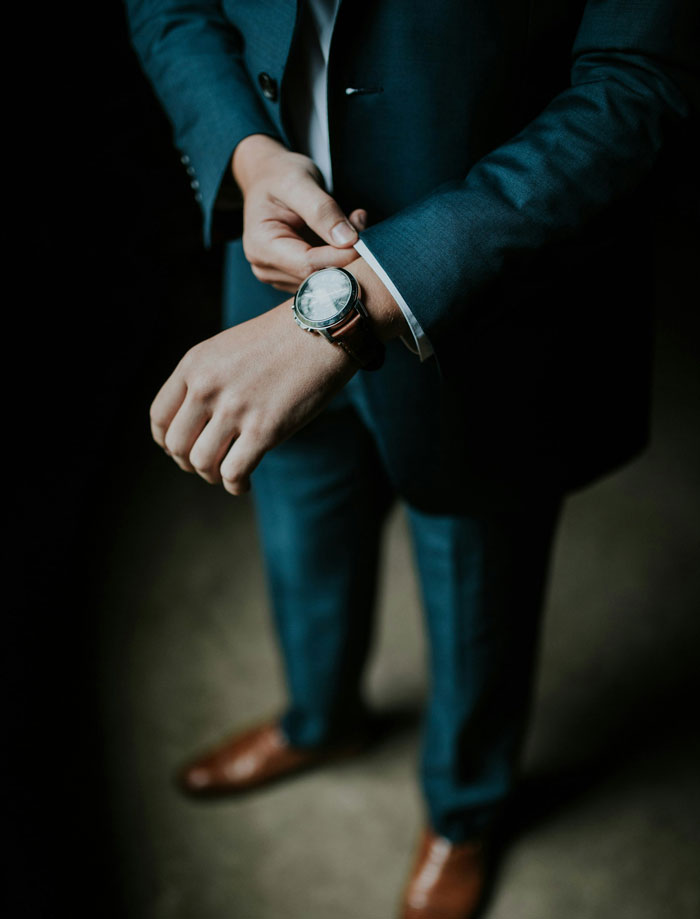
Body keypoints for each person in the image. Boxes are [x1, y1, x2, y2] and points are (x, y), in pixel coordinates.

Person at [125, 1, 698, 916]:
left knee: (478, 578)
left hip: (488, 300)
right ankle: (322, 721)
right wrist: (249, 150)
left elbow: (640, 79)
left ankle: (464, 814)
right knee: (300, 530)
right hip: (266, 268)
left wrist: (367, 294)